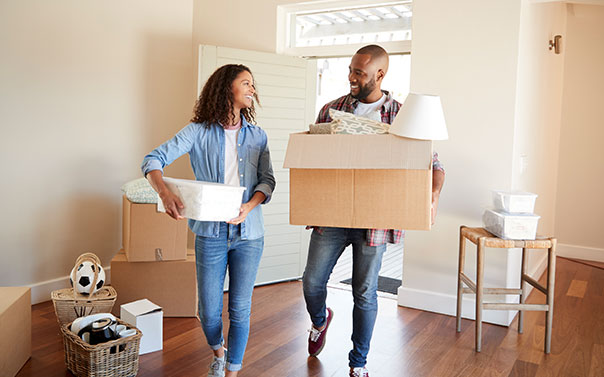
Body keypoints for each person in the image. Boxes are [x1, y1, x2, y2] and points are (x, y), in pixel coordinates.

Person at [302, 45, 445, 377]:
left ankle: (358, 363)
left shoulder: (403, 116)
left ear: (380, 75)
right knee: (311, 282)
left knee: (364, 292)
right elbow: (313, 159)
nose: (352, 77)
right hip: (333, 215)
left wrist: (432, 195)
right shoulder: (331, 110)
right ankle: (320, 320)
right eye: (351, 70)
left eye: (359, 72)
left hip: (375, 220)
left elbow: (434, 165)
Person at [141, 64, 275, 377]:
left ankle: (232, 371)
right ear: (226, 88)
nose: (252, 89)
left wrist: (249, 206)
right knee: (209, 312)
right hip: (210, 235)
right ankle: (218, 352)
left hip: (250, 234)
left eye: (252, 84)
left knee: (240, 308)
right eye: (246, 83)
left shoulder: (258, 136)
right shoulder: (197, 132)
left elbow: (267, 180)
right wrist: (164, 192)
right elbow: (152, 160)